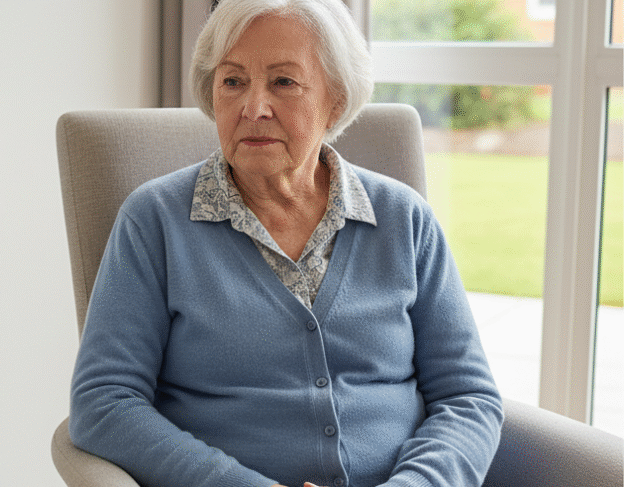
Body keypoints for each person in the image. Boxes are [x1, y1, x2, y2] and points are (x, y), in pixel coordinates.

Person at [68, 0, 504, 486]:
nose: (253, 107)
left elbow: (467, 397)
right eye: (233, 81)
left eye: (283, 82)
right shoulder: (154, 222)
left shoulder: (404, 218)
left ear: (335, 100)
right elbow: (103, 403)